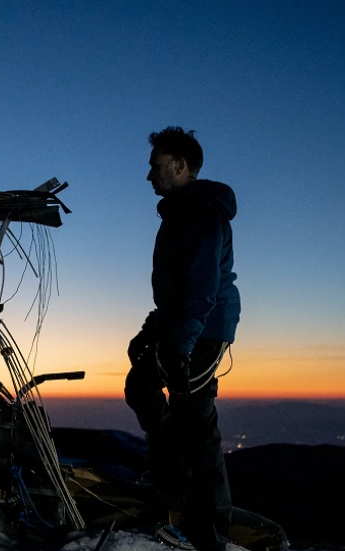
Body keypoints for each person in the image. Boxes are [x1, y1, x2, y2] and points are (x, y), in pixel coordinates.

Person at [124, 127, 240, 551]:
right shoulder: (180, 211)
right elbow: (176, 290)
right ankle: (175, 486)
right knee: (142, 387)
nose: (149, 176)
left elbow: (201, 290)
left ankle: (209, 535)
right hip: (182, 324)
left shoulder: (201, 213)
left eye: (155, 166)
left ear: (179, 165)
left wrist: (181, 345)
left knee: (195, 419)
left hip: (203, 329)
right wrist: (152, 330)